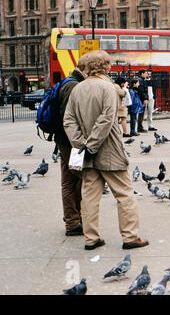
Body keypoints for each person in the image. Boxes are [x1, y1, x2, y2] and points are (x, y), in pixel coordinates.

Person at [64, 50, 149, 251]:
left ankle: (91, 238)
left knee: (89, 196)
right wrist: (92, 145)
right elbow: (107, 119)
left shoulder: (78, 89)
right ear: (105, 66)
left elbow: (69, 120)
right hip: (108, 149)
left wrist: (81, 145)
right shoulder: (108, 87)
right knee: (124, 194)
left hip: (85, 152)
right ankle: (130, 237)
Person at [54, 56, 88, 237]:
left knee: (70, 179)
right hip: (70, 141)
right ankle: (74, 221)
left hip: (64, 140)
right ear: (85, 68)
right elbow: (69, 118)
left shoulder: (69, 82)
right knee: (76, 179)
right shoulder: (74, 85)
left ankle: (72, 218)